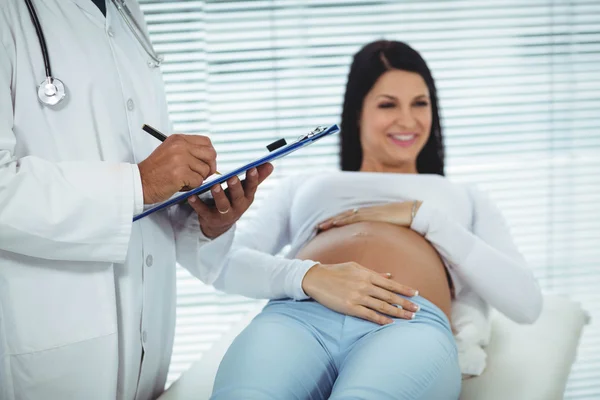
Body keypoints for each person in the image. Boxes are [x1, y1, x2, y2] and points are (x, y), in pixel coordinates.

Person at [205, 40, 544, 399]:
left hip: (406, 322)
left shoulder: (465, 197)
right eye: (387, 105)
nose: (407, 120)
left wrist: (421, 217)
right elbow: (224, 265)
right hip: (295, 317)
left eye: (420, 103)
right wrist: (308, 277)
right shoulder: (304, 185)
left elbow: (526, 303)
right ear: (357, 112)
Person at [0, 1, 272, 399]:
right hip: (51, 334)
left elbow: (144, 179)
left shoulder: (126, 12)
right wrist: (139, 183)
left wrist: (204, 221)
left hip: (148, 340)